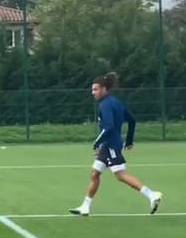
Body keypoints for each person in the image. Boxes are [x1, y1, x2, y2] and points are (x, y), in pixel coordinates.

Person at [69, 72, 162, 216]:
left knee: (120, 175)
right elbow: (132, 120)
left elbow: (109, 127)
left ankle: (151, 194)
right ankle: (85, 207)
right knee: (95, 174)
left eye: (96, 89)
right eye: (92, 89)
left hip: (111, 144)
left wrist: (96, 143)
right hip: (108, 144)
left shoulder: (105, 105)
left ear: (104, 89)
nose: (92, 92)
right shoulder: (116, 102)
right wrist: (129, 140)